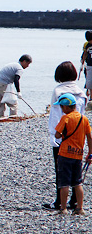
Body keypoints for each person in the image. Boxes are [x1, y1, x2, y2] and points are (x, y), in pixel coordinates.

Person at [43, 62, 88, 211]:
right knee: (77, 173)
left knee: (61, 172)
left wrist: (54, 137)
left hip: (63, 140)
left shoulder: (58, 92)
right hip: (78, 139)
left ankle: (59, 203)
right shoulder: (80, 92)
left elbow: (56, 117)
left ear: (59, 76)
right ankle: (76, 203)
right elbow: (82, 115)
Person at [53, 93, 92, 215]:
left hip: (65, 154)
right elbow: (89, 136)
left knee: (64, 182)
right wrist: (90, 153)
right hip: (78, 155)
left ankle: (63, 208)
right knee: (77, 182)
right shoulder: (83, 118)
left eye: (61, 107)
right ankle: (80, 208)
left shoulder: (66, 118)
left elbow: (57, 134)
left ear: (65, 107)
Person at [79, 30, 92, 103]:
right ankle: (90, 98)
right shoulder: (86, 45)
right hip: (89, 65)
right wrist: (82, 62)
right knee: (89, 82)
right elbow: (84, 54)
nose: (90, 42)